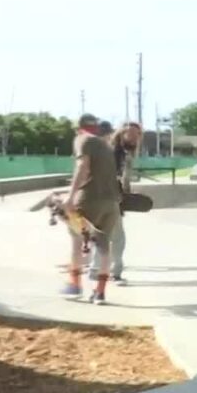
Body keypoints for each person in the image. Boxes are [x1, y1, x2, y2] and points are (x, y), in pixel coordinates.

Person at [61, 114, 121, 305]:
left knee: (76, 239)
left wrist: (70, 196)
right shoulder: (105, 145)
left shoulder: (82, 139)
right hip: (111, 202)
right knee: (104, 245)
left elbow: (82, 166)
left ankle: (74, 285)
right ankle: (100, 293)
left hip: (88, 200)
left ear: (78, 128)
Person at [88, 122, 142, 286]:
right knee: (116, 237)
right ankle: (112, 272)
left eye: (137, 134)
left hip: (112, 199)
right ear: (122, 133)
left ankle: (96, 269)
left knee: (107, 235)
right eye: (131, 134)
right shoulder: (112, 151)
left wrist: (125, 197)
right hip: (105, 198)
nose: (134, 137)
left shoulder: (125, 153)